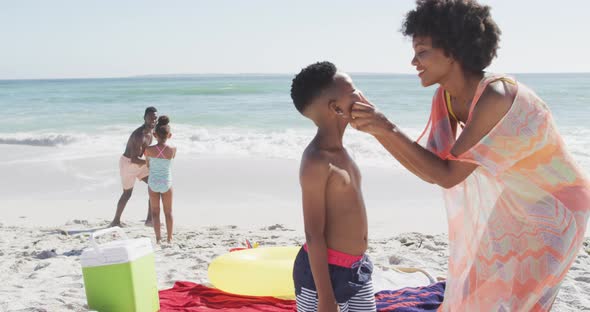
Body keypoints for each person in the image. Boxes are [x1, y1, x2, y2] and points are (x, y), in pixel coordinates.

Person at [349, 0, 590, 310]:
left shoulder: (495, 96)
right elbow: (430, 169)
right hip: (518, 198)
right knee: (477, 291)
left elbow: (448, 175)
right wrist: (376, 128)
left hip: (560, 204)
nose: (413, 62)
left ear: (454, 51)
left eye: (422, 52)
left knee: (520, 300)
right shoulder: (446, 96)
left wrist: (384, 127)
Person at [290, 61, 376, 312]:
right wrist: (325, 298)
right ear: (336, 108)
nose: (360, 95)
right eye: (353, 92)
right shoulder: (316, 160)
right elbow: (313, 234)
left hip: (357, 270)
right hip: (322, 279)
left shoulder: (343, 152)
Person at [110, 106, 158, 227]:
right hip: (128, 164)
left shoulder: (151, 131)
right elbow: (134, 159)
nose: (153, 121)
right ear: (144, 118)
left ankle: (149, 219)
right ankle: (115, 221)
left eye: (155, 118)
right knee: (127, 194)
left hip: (139, 162)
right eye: (150, 118)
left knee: (155, 185)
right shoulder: (139, 135)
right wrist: (149, 163)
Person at [144, 115, 176, 244]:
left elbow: (148, 165)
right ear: (169, 135)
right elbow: (170, 161)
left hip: (153, 183)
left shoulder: (149, 150)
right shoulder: (172, 150)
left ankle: (158, 239)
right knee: (168, 212)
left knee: (155, 213)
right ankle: (169, 238)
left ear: (154, 134)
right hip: (166, 182)